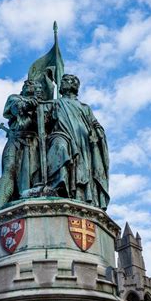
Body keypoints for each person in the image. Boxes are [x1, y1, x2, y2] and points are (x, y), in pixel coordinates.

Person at [46, 74, 109, 209]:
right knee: (60, 147)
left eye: (65, 81)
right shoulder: (55, 103)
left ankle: (81, 194)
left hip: (83, 141)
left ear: (74, 85)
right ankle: (58, 185)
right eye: (61, 81)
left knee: (83, 168)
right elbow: (42, 120)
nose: (62, 83)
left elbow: (95, 124)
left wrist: (97, 132)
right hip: (61, 135)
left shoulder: (85, 107)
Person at [0, 80, 43, 208]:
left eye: (33, 84)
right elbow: (16, 108)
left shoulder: (42, 105)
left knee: (34, 175)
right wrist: (30, 103)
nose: (28, 85)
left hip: (34, 143)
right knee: (9, 169)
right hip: (15, 139)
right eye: (26, 84)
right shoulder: (15, 98)